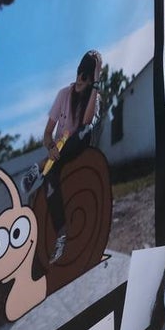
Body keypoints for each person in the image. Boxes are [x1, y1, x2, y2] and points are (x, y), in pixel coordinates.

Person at [41, 49, 103, 264]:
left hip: (79, 146)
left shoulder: (95, 97)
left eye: (86, 75)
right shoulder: (63, 94)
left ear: (93, 78)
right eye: (79, 72)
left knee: (84, 130)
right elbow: (47, 134)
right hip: (59, 150)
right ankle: (61, 234)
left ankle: (44, 165)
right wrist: (50, 148)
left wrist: (95, 84)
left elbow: (86, 122)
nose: (80, 79)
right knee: (50, 180)